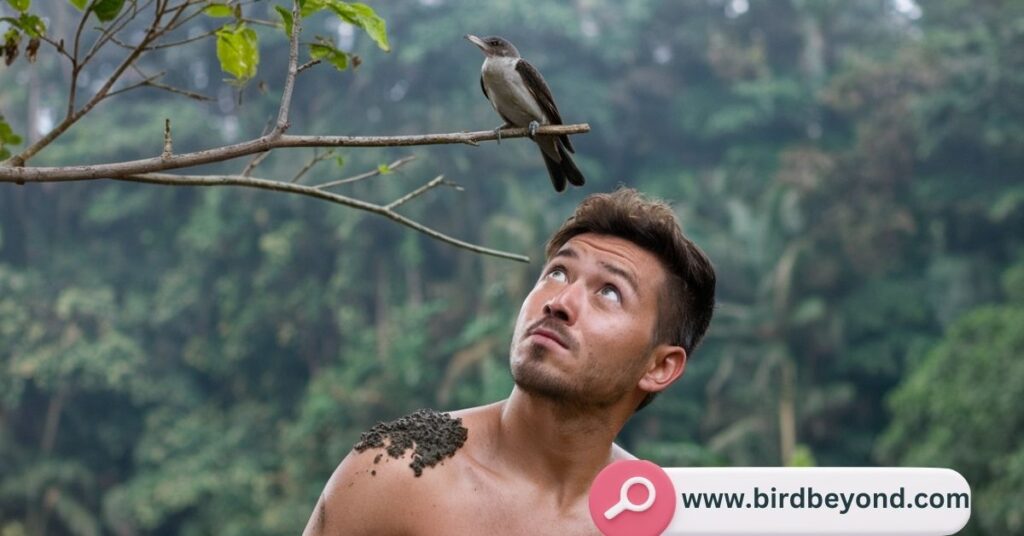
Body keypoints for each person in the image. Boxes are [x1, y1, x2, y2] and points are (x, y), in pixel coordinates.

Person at [303, 187, 716, 535]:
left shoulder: (662, 521)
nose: (559, 303)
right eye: (557, 273)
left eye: (609, 292)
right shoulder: (397, 468)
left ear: (659, 367)